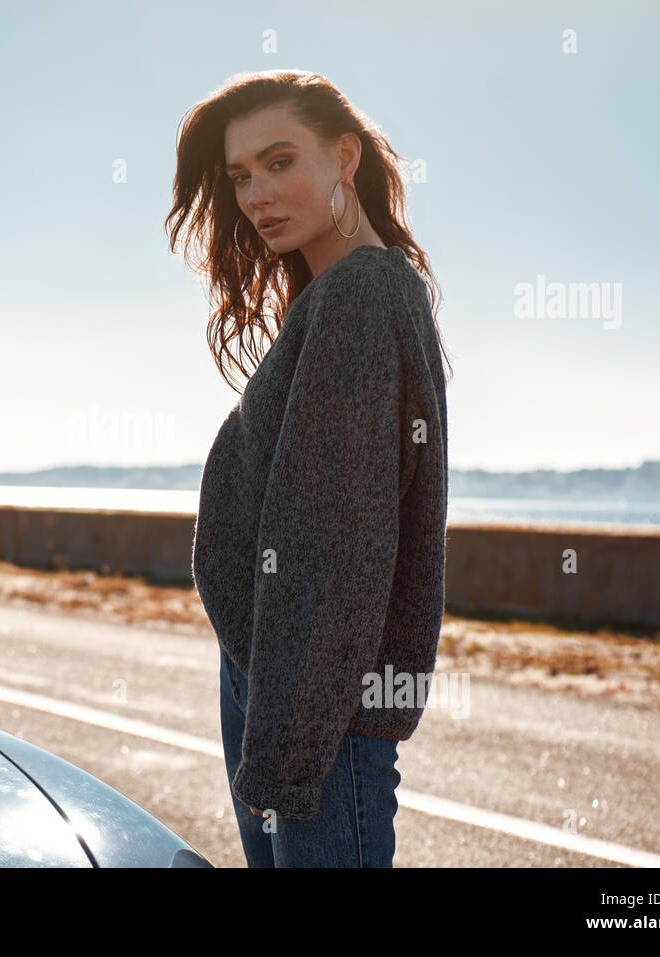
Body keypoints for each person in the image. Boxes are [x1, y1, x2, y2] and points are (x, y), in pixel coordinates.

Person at [165, 70, 452, 867]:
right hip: (296, 693)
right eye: (241, 176)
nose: (257, 192)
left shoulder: (358, 295)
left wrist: (285, 752)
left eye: (281, 161)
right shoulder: (343, 294)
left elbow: (336, 545)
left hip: (315, 712)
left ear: (345, 156)